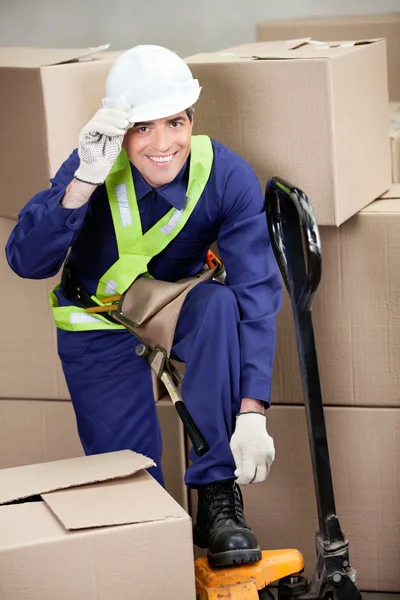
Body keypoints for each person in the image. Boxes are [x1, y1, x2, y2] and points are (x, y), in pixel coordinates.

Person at [5, 44, 282, 568]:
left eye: (175, 123)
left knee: (221, 306)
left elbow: (257, 296)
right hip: (97, 322)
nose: (162, 144)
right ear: (121, 128)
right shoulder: (92, 162)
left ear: (191, 120)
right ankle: (155, 551)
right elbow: (25, 260)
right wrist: (81, 183)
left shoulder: (224, 176)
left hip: (175, 308)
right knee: (134, 497)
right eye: (143, 127)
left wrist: (252, 410)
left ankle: (218, 498)